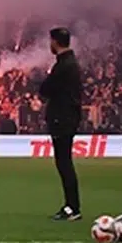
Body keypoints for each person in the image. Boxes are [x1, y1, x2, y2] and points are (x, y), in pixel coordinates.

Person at [39, 27, 82, 221]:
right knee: (64, 162)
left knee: (64, 163)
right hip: (68, 117)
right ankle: (72, 205)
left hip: (62, 118)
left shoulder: (63, 66)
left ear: (55, 41)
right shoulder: (70, 63)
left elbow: (45, 89)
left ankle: (72, 206)